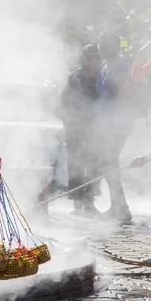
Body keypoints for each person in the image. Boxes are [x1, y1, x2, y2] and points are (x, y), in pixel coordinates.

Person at [93, 32, 134, 224]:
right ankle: (118, 206)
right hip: (105, 122)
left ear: (116, 47)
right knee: (107, 163)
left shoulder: (120, 65)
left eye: (106, 44)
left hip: (117, 122)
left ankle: (121, 208)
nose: (101, 48)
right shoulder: (105, 65)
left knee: (108, 162)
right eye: (101, 44)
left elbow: (123, 95)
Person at [59, 44, 102, 216]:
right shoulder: (75, 76)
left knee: (93, 163)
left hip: (94, 126)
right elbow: (66, 100)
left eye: (97, 57)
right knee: (76, 164)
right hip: (76, 126)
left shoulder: (100, 76)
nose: (96, 61)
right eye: (92, 57)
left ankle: (89, 202)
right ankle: (78, 202)